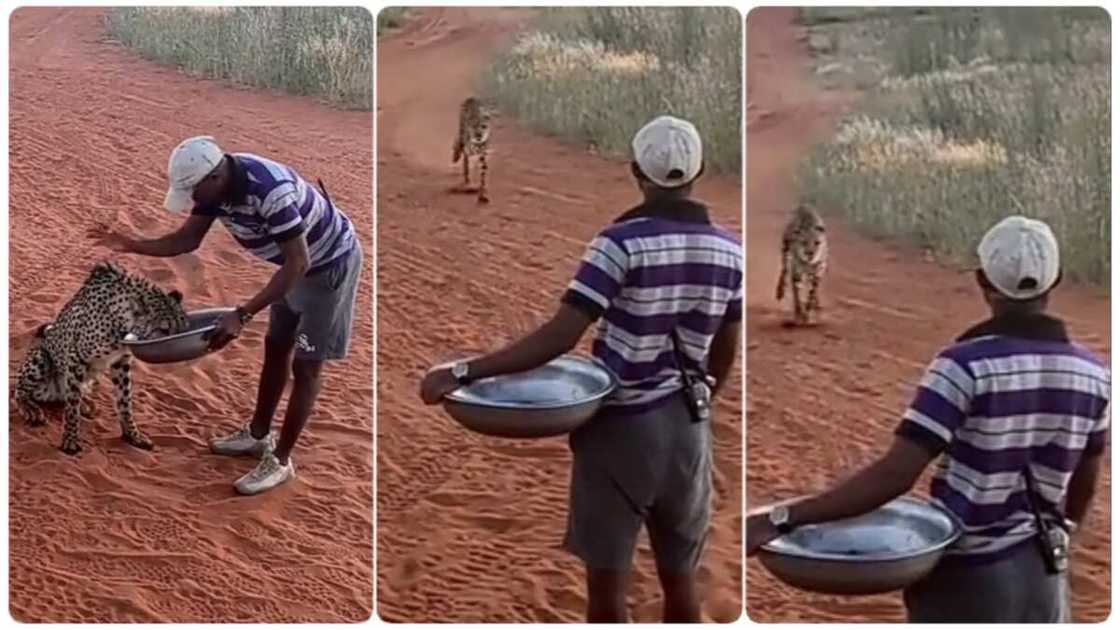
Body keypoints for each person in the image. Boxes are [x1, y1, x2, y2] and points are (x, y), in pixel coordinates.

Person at [420, 115, 743, 622]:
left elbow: (560, 336)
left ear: (636, 170)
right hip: (689, 432)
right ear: (700, 170)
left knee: (608, 597)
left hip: (621, 430)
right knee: (681, 588)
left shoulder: (618, 244)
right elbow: (724, 354)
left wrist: (464, 372)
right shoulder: (730, 251)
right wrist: (695, 406)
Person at [746, 215, 1110, 623]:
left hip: (967, 581)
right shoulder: (1096, 376)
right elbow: (1084, 482)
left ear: (982, 280)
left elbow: (895, 476)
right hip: (1043, 580)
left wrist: (783, 518)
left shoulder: (962, 366)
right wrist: (1061, 538)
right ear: (1056, 279)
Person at [88, 136, 362, 496]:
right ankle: (258, 435)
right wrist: (130, 243)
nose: (194, 201)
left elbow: (300, 262)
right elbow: (186, 240)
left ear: (215, 177)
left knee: (307, 365)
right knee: (276, 346)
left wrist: (243, 314)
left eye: (194, 192)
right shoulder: (216, 189)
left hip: (326, 270)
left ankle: (281, 461)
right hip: (291, 269)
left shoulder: (269, 192)